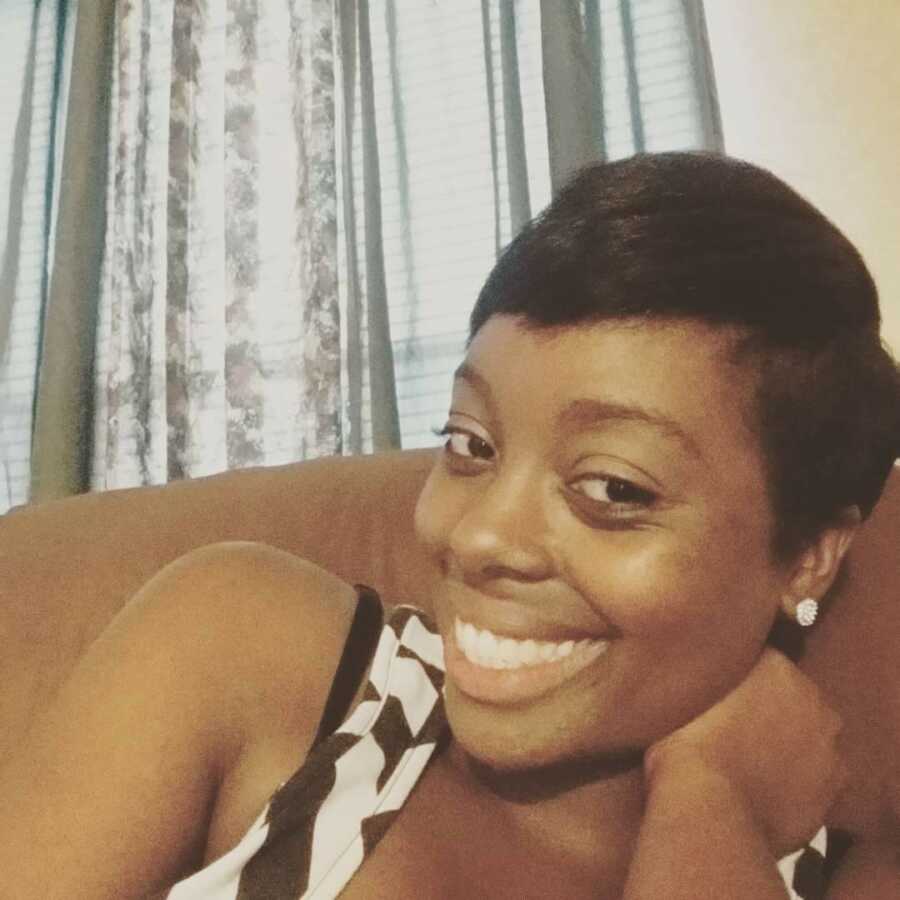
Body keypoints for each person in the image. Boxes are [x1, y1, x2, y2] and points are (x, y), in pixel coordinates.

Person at [2, 152, 898, 899]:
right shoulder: (258, 657)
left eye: (615, 490)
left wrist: (712, 808)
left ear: (810, 556)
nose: (476, 537)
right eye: (470, 443)